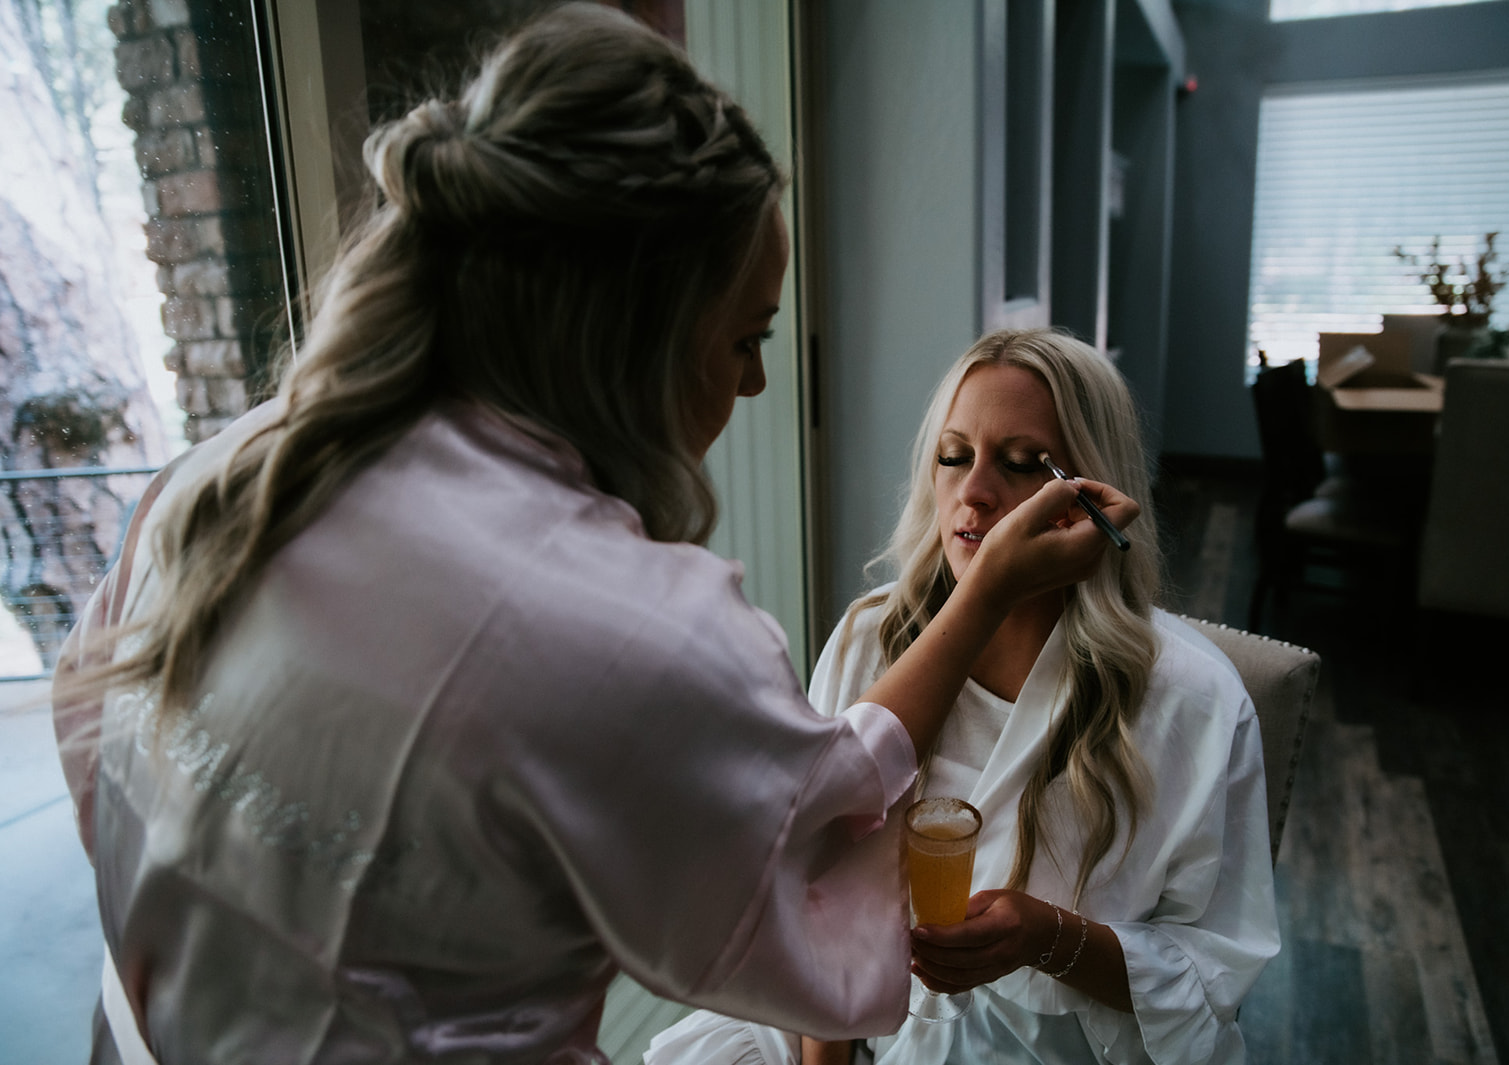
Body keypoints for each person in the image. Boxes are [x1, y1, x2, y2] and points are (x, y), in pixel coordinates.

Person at [49, 9, 1138, 1065]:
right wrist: (985, 598)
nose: (756, 382)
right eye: (745, 337)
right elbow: (806, 859)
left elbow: (97, 747)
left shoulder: (239, 467)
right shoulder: (620, 625)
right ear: (636, 332)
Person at [647, 329, 1278, 1065]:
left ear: (1089, 493)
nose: (973, 492)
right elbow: (814, 892)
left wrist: (1049, 937)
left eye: (1018, 464)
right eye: (953, 456)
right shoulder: (871, 642)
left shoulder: (1189, 703)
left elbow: (1211, 976)